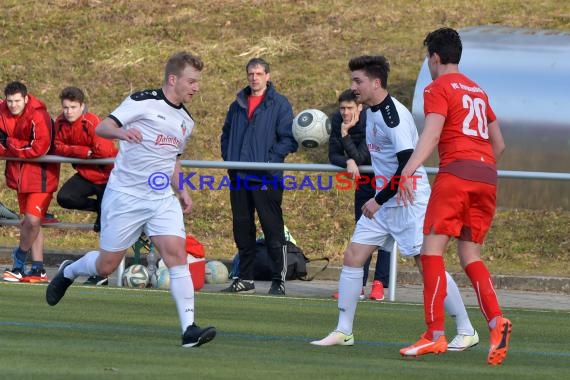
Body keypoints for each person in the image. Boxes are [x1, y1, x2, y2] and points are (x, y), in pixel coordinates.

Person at [45, 51, 216, 348]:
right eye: (191, 81)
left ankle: (189, 329)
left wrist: (183, 189)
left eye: (197, 82)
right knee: (106, 265)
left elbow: (173, 159)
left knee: (176, 254)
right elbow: (103, 127)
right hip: (125, 195)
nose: (196, 87)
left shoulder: (186, 121)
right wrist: (122, 132)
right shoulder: (142, 101)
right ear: (173, 79)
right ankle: (69, 270)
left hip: (161, 197)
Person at [310, 55, 478, 351]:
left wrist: (377, 199)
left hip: (408, 201)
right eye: (352, 80)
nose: (353, 86)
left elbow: (405, 165)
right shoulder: (371, 111)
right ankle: (343, 330)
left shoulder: (393, 116)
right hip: (387, 199)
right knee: (353, 257)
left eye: (358, 81)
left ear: (376, 83)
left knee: (429, 267)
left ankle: (466, 329)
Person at [398, 28, 511, 365]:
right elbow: (499, 144)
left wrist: (408, 170)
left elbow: (432, 134)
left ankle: (434, 335)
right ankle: (495, 322)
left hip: (456, 173)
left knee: (430, 251)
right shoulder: (477, 90)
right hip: (486, 176)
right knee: (470, 254)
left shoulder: (437, 87)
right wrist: (479, 167)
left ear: (434, 57)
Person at [220, 57, 298, 295]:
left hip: (266, 178)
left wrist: (270, 161)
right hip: (239, 176)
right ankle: (245, 279)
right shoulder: (237, 104)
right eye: (251, 74)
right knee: (242, 228)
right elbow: (226, 133)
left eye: (259, 73)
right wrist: (229, 157)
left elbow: (289, 138)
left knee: (272, 229)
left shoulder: (279, 104)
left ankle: (279, 280)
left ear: (268, 76)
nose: (254, 77)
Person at [328, 89, 392, 301]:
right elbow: (333, 154)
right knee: (362, 230)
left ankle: (380, 283)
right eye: (342, 108)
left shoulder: (371, 120)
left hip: (384, 181)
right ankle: (358, 285)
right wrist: (346, 161)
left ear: (360, 108)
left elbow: (362, 156)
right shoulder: (337, 120)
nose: (345, 113)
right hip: (364, 182)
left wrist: (346, 135)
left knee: (384, 234)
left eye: (349, 108)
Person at [52, 86, 118, 286]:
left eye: (73, 107)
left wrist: (78, 152)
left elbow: (104, 152)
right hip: (86, 174)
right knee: (65, 198)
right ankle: (97, 206)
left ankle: (102, 274)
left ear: (82, 106)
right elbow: (58, 146)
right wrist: (83, 152)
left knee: (105, 228)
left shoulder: (92, 122)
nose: (68, 111)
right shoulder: (60, 122)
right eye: (65, 107)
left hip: (108, 177)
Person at [0, 81, 60, 283]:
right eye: (9, 101)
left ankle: (18, 261)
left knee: (32, 222)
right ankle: (38, 268)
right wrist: (12, 147)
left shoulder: (38, 115)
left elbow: (38, 149)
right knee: (31, 224)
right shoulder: (2, 111)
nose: (13, 105)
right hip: (19, 177)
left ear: (26, 98)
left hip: (41, 177)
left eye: (17, 101)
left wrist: (9, 143)